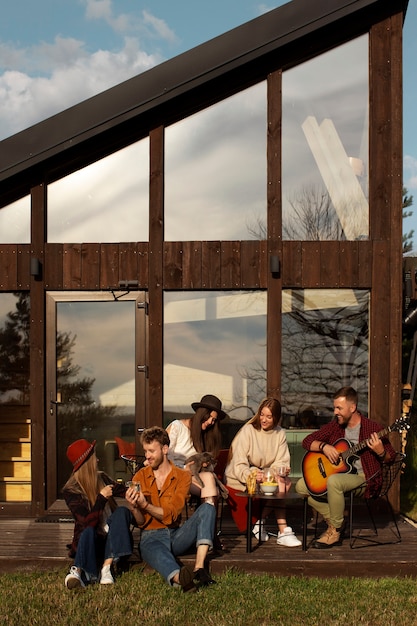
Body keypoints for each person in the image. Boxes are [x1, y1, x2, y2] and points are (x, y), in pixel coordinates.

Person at [295, 386, 397, 549]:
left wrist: (381, 452)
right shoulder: (335, 426)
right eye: (335, 407)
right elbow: (307, 441)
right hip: (340, 475)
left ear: (353, 408)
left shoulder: (373, 429)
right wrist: (324, 447)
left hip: (366, 478)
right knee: (301, 486)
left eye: (339, 408)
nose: (335, 412)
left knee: (335, 481)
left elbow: (391, 458)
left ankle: (334, 531)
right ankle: (337, 521)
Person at [125, 426, 216, 592]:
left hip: (176, 534)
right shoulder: (140, 477)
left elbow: (172, 515)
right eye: (146, 451)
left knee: (208, 508)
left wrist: (145, 505)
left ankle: (199, 568)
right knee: (155, 551)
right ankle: (180, 578)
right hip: (150, 536)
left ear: (165, 449)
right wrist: (134, 508)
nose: (147, 456)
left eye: (151, 451)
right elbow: (141, 522)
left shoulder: (182, 476)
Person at [224, 396, 302, 547]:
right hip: (240, 477)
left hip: (264, 475)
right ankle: (282, 529)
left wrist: (270, 473)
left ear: (276, 418)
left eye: (269, 416)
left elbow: (281, 461)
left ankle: (275, 527)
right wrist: (252, 475)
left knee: (283, 481)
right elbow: (238, 464)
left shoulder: (280, 433)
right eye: (262, 415)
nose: (264, 420)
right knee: (281, 484)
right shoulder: (248, 431)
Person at [62, 438, 135, 588]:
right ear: (87, 462)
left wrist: (134, 490)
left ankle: (106, 568)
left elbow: (123, 490)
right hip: (91, 540)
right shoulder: (71, 491)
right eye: (94, 457)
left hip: (111, 538)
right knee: (87, 530)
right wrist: (101, 499)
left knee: (121, 511)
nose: (98, 460)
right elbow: (86, 522)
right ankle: (78, 571)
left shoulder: (102, 478)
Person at [166, 394, 226, 501]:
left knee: (210, 481)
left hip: (196, 475)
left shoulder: (206, 435)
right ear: (201, 413)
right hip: (175, 474)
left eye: (213, 420)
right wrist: (184, 469)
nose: (210, 422)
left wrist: (206, 465)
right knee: (212, 489)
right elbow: (165, 459)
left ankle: (207, 516)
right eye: (208, 417)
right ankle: (208, 515)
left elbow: (209, 467)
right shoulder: (177, 427)